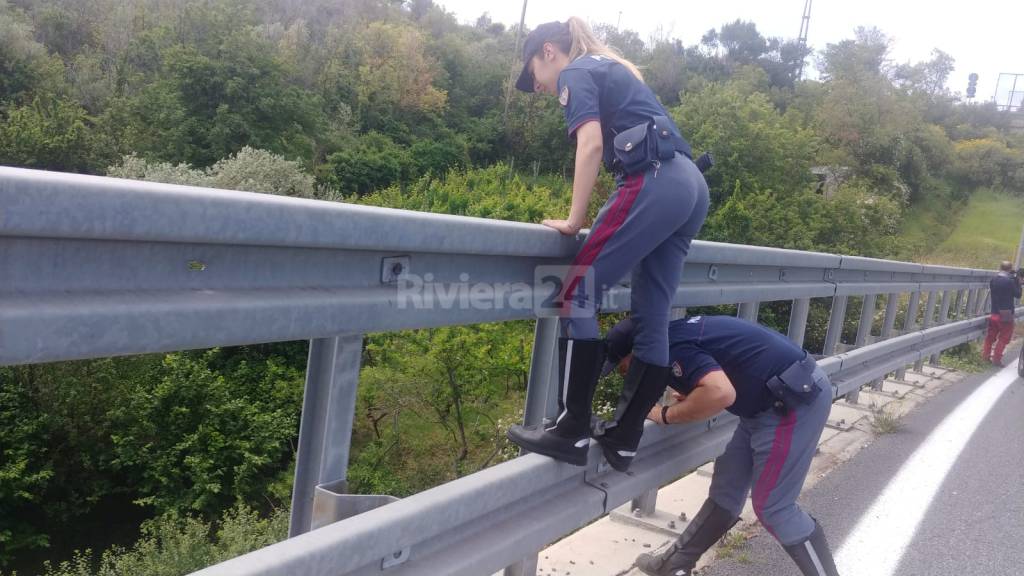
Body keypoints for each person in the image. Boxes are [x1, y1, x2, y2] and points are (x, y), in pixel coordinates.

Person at [505, 18, 709, 472]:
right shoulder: (609, 66)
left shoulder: (576, 72)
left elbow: (592, 144)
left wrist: (575, 219)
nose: (537, 86)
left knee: (576, 292)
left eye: (533, 72)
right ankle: (624, 438)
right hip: (690, 183)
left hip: (654, 181)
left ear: (550, 52)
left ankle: (571, 430)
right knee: (652, 315)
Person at [600, 315, 840, 576]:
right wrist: (695, 394)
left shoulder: (672, 348)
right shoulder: (671, 336)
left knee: (775, 508)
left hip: (792, 402)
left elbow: (720, 392)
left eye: (625, 368)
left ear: (638, 351)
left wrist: (666, 414)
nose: (627, 376)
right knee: (728, 486)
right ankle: (674, 565)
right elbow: (721, 372)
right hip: (767, 400)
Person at [982, 261, 1022, 366]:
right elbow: (1017, 295)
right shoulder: (1010, 281)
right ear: (1010, 269)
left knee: (990, 337)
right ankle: (996, 359)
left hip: (994, 312)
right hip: (1006, 314)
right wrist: (1018, 282)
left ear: (1000, 268)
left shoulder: (993, 280)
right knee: (1004, 337)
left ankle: (985, 357)